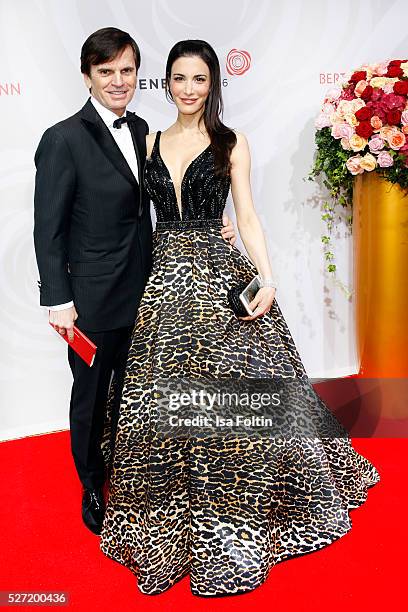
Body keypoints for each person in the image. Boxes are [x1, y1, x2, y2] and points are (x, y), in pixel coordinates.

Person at [99, 39, 380, 597]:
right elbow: (134, 216)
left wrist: (268, 280)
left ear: (213, 85)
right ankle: (174, 503)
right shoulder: (146, 139)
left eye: (199, 80)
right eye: (178, 79)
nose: (187, 89)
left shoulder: (231, 143)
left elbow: (246, 214)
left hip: (217, 273)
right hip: (162, 281)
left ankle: (233, 504)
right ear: (166, 83)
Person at [33, 28, 236, 536]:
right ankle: (91, 485)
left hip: (149, 292)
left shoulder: (145, 129)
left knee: (136, 394)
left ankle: (133, 477)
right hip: (88, 304)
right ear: (87, 77)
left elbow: (172, 196)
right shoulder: (62, 138)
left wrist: (216, 225)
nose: (118, 81)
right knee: (91, 395)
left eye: (127, 70)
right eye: (106, 72)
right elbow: (48, 229)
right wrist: (58, 301)